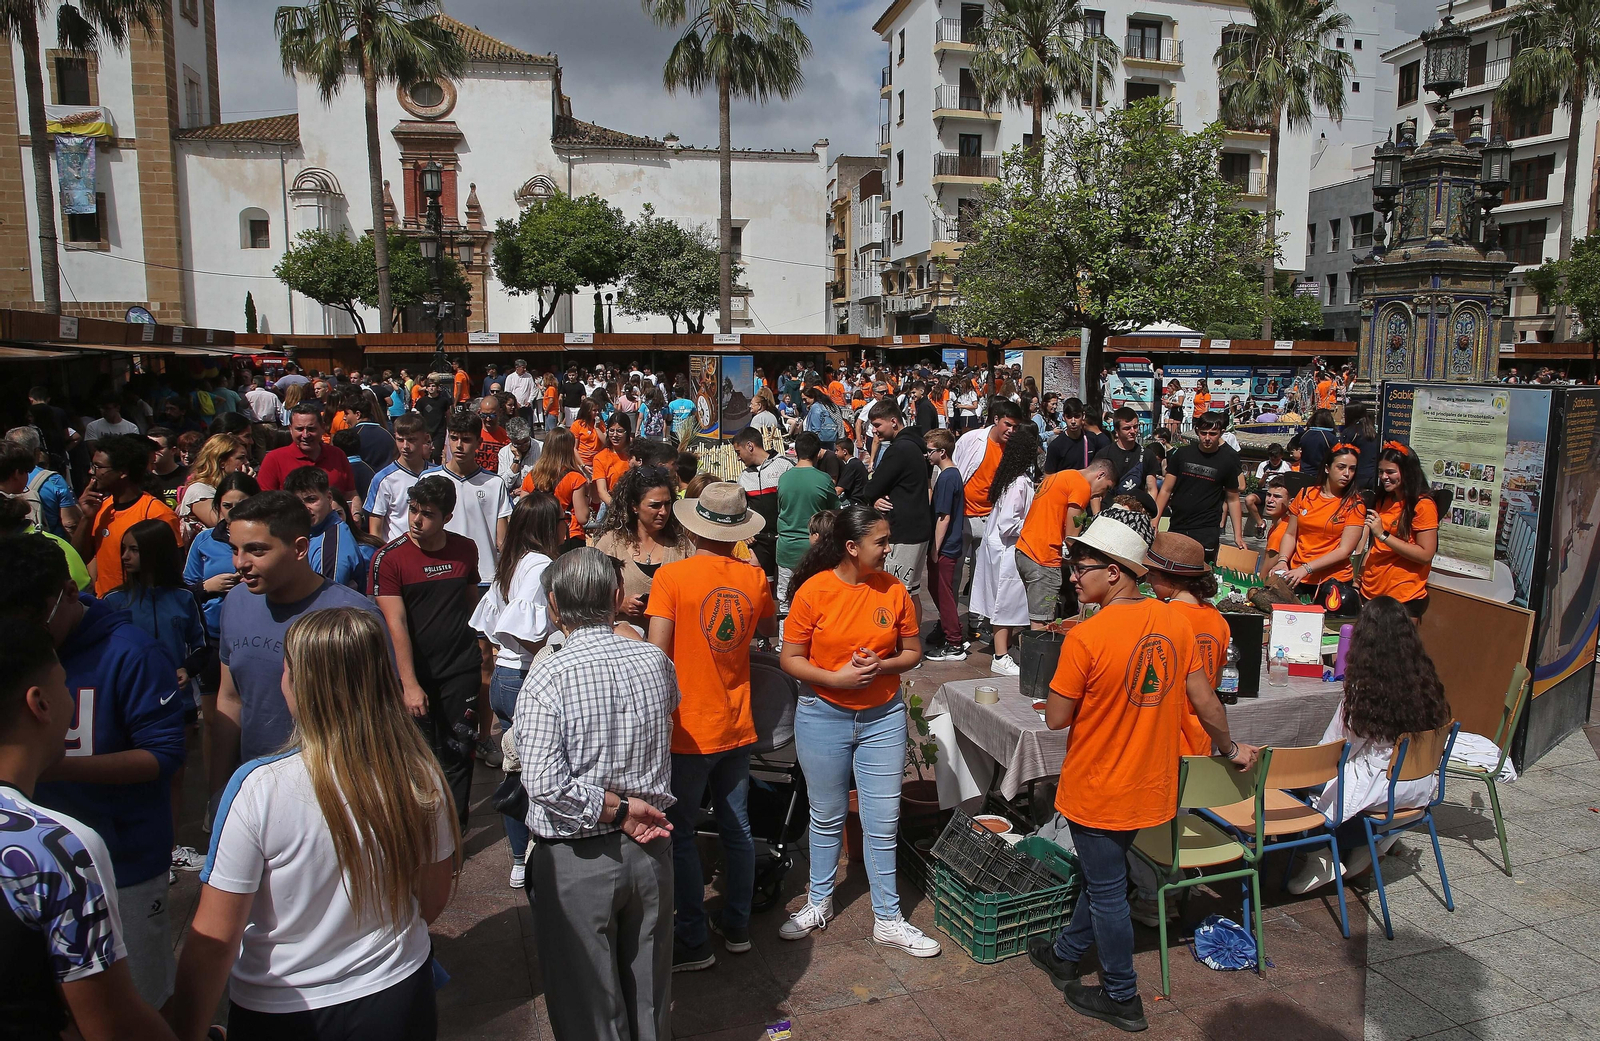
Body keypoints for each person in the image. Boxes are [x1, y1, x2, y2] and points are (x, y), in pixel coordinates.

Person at [168, 608, 458, 1041]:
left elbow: (214, 941)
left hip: (282, 1009)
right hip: (398, 995)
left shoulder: (257, 789)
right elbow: (433, 897)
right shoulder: (419, 773)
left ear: (298, 683)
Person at [1030, 508, 1256, 1031]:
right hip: (1150, 784)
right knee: (1102, 876)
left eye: (1080, 566)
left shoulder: (1085, 637)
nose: (1071, 576)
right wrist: (1230, 748)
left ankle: (1121, 995)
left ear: (1114, 571)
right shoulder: (1177, 621)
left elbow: (1058, 719)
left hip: (1098, 784)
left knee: (1108, 890)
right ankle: (1066, 953)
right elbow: (1207, 703)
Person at [0, 534, 188, 1007]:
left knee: (138, 1002)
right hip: (32, 871)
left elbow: (163, 755)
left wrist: (55, 768)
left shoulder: (132, 653)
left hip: (124, 865)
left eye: (35, 621)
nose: (29, 635)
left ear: (67, 592)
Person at [515, 548, 678, 1041]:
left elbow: (542, 782)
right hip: (650, 849)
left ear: (553, 606)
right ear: (616, 597)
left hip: (576, 858)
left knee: (589, 1007)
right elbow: (668, 717)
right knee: (650, 995)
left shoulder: (548, 673)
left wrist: (617, 811)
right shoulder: (654, 659)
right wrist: (626, 810)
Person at [777, 506, 939, 957]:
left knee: (882, 823)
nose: (889, 549)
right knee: (825, 816)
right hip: (821, 714)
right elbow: (791, 659)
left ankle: (888, 919)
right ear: (852, 547)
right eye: (881, 542)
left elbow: (911, 652)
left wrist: (880, 665)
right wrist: (836, 679)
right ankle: (818, 902)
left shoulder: (894, 591)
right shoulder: (814, 591)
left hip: (883, 718)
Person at [646, 484, 777, 971]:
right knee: (736, 827)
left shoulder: (672, 576)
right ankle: (738, 925)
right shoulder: (753, 576)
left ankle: (693, 938)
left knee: (679, 833)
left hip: (686, 727)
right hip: (735, 722)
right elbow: (766, 629)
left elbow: (658, 654)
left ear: (692, 525)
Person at [212, 492, 387, 794]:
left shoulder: (354, 617)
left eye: (256, 550)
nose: (240, 563)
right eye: (235, 549)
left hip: (334, 789)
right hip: (255, 787)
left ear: (299, 548)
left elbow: (379, 716)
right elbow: (230, 699)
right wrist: (219, 788)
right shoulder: (236, 602)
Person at [1287, 596, 1453, 894]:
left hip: (1380, 789)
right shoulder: (1427, 681)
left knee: (1292, 784)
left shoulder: (1363, 690)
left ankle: (1320, 858)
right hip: (1418, 788)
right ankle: (1376, 840)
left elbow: (1333, 748)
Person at [370, 476, 482, 826]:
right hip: (415, 673)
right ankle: (421, 828)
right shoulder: (388, 559)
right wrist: (409, 683)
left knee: (460, 749)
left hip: (460, 669)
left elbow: (470, 603)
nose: (416, 520)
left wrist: (482, 648)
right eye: (413, 511)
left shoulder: (466, 549)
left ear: (447, 517)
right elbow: (396, 625)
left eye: (427, 514)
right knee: (418, 755)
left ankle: (454, 828)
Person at [470, 491, 564, 887]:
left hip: (506, 679)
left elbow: (488, 626)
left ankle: (519, 856)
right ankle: (526, 856)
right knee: (534, 772)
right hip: (525, 679)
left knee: (516, 769)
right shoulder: (540, 563)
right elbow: (516, 626)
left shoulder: (513, 561)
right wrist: (554, 650)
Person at [73, 434, 182, 597]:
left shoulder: (158, 513)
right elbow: (79, 557)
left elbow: (172, 570)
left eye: (98, 466)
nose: (91, 471)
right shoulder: (101, 508)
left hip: (142, 607)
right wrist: (87, 517)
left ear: (123, 472)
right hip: (106, 606)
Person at [970, 423, 1040, 675]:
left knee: (1004, 600)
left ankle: (1004, 647)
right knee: (1005, 602)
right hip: (1007, 549)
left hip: (1001, 548)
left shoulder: (1012, 479)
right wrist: (1034, 525)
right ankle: (1000, 656)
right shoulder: (1019, 483)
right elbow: (1008, 523)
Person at [1016, 458, 1115, 630]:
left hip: (1024, 549)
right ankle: (1040, 655)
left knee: (1035, 614)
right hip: (1043, 556)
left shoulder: (1063, 476)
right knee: (1041, 622)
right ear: (1101, 475)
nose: (1102, 495)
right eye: (1106, 488)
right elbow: (1071, 537)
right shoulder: (1082, 486)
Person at [594, 465, 694, 631]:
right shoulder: (610, 544)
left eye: (667, 504)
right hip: (625, 646)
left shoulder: (681, 545)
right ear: (634, 506)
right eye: (655, 505)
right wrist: (620, 604)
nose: (663, 511)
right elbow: (590, 596)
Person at [954, 398, 1022, 632]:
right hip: (962, 516)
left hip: (991, 519)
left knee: (981, 576)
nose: (1011, 431)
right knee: (954, 572)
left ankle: (976, 622)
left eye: (1015, 427)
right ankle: (950, 622)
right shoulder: (971, 439)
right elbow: (955, 469)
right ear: (996, 420)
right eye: (1007, 424)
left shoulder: (1012, 449)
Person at [425, 412, 513, 588]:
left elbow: (502, 539)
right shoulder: (429, 479)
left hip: (484, 577)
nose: (459, 446)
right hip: (440, 575)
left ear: (478, 443)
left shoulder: (494, 484)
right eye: (454, 438)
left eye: (466, 440)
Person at [861, 398, 931, 616]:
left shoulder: (900, 449)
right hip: (917, 528)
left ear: (893, 421)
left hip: (904, 531)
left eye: (877, 425)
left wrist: (873, 496)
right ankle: (912, 643)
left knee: (898, 592)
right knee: (912, 590)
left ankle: (903, 644)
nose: (875, 431)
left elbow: (871, 487)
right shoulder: (914, 446)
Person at [1276, 443, 1365, 614]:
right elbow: (1290, 534)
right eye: (1341, 467)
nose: (1347, 474)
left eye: (1352, 469)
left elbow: (1345, 550)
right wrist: (1282, 560)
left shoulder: (1355, 504)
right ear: (1327, 468)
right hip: (1297, 578)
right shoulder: (1305, 494)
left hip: (1333, 583)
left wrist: (1306, 568)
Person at [1359, 443, 1438, 619]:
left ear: (1407, 471)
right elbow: (1374, 547)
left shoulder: (1422, 505)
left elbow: (1425, 554)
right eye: (1381, 472)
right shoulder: (1383, 499)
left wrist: (1383, 535)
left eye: (1390, 472)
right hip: (1370, 590)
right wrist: (1360, 579)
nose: (1384, 477)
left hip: (1401, 597)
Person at [1154, 411, 1245, 562]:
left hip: (1207, 528)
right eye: (1203, 433)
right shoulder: (1182, 454)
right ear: (1197, 431)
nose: (1207, 438)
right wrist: (1155, 521)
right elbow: (1166, 489)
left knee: (1201, 574)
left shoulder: (1228, 460)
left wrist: (1238, 536)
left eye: (1213, 433)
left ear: (1221, 433)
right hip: (1179, 523)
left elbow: (1233, 499)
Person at [776, 431, 838, 608]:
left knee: (786, 603)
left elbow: (780, 510)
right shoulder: (824, 479)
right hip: (815, 550)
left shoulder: (784, 479)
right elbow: (834, 511)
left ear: (796, 452)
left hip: (786, 548)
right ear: (817, 453)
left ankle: (784, 636)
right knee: (815, 603)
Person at [923, 428, 968, 661]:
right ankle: (948, 630)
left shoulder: (948, 477)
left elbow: (944, 516)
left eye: (929, 451)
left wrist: (935, 548)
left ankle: (954, 642)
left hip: (946, 546)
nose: (927, 455)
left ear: (942, 452)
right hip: (947, 544)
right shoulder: (948, 475)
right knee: (937, 589)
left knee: (944, 593)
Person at [284, 466, 367, 589]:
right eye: (298, 503)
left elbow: (326, 601)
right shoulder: (303, 531)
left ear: (328, 498)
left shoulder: (331, 546)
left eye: (311, 500)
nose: (305, 508)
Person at [258, 404, 356, 499]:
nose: (305, 435)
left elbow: (351, 494)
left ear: (322, 428)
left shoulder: (337, 455)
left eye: (311, 429)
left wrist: (356, 514)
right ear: (290, 429)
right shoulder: (273, 459)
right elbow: (265, 502)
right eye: (299, 429)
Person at [5, 425, 80, 537]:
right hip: (50, 545)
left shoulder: (5, 477)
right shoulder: (53, 480)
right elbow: (70, 523)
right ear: (37, 452)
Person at [367, 414, 432, 542]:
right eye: (400, 440)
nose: (405, 446)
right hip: (397, 555)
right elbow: (375, 528)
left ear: (425, 438)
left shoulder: (437, 474)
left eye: (412, 440)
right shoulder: (383, 479)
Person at [523, 428, 590, 552]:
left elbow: (525, 510)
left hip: (539, 537)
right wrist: (586, 496)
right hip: (569, 536)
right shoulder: (575, 478)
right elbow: (582, 517)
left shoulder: (531, 476)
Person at [1044, 399, 1107, 474]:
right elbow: (1048, 476)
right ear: (1064, 417)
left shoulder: (1092, 439)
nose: (1073, 421)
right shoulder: (1056, 446)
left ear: (1083, 416)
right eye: (1069, 417)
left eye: (1077, 416)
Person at [1244, 442, 1293, 532]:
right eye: (1272, 459)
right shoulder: (1263, 465)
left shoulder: (1286, 466)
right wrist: (1265, 476)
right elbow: (1259, 485)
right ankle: (1260, 523)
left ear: (1281, 457)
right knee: (1248, 499)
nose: (1274, 462)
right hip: (1265, 490)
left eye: (1276, 459)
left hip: (1280, 491)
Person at [592, 413, 636, 511]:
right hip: (612, 507)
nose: (615, 435)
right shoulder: (600, 457)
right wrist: (618, 509)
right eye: (611, 431)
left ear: (627, 432)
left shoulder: (636, 453)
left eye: (619, 431)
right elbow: (602, 491)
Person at [143, 428, 189, 511]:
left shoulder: (188, 476)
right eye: (148, 447)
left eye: (157, 448)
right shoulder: (141, 478)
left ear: (173, 450)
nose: (152, 451)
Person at [1259, 476, 1294, 576]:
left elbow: (1263, 577)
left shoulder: (1280, 532)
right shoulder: (1280, 525)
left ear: (1291, 502)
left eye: (1277, 497)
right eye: (1268, 495)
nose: (1270, 500)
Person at [498, 416, 541, 498]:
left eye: (525, 441)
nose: (523, 446)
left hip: (536, 498)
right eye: (518, 444)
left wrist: (527, 488)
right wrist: (517, 459)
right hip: (513, 500)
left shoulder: (542, 448)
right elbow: (502, 485)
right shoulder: (504, 453)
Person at [1298, 408, 1340, 476]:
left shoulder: (1305, 434)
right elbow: (1338, 455)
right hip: (1321, 475)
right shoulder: (1329, 437)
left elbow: (1292, 446)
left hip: (1304, 473)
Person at [832, 438, 868, 503]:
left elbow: (838, 490)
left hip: (855, 501)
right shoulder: (856, 462)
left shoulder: (851, 465)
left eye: (837, 450)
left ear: (845, 451)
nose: (835, 453)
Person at [570, 401, 603, 472]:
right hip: (583, 463)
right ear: (587, 411)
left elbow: (606, 442)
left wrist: (597, 428)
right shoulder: (577, 425)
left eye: (598, 410)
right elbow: (574, 448)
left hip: (597, 462)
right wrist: (583, 465)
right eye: (594, 410)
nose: (597, 412)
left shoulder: (600, 424)